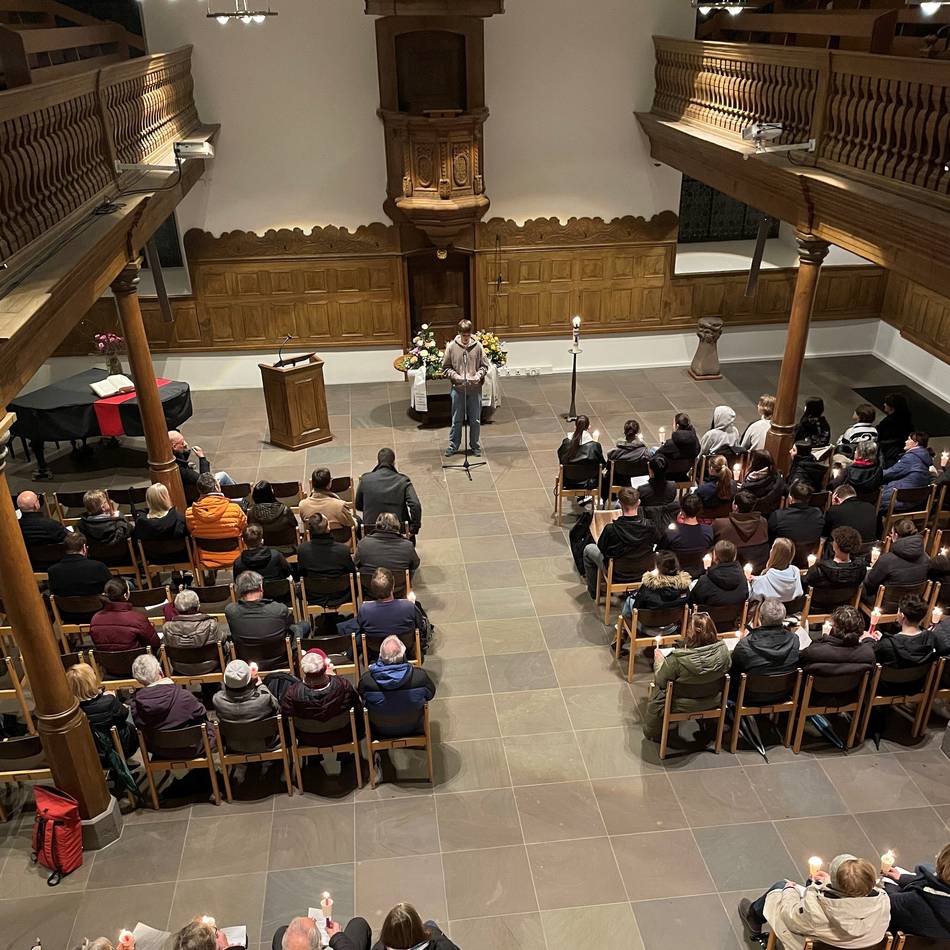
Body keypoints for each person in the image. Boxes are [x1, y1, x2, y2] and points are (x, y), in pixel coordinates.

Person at [739, 854, 889, 950]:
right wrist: (827, 882)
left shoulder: (815, 907)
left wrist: (789, 891)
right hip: (859, 945)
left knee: (781, 886)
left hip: (813, 943)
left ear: (835, 881)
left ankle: (753, 917)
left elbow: (789, 917)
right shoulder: (883, 902)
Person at [642, 612, 731, 742]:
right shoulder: (724, 654)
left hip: (679, 704)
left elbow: (661, 681)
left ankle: (655, 731)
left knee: (658, 691)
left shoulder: (676, 660)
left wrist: (659, 662)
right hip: (713, 700)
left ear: (690, 633)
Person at [582, 487, 659, 598]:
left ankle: (594, 591)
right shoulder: (650, 526)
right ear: (639, 503)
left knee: (588, 549)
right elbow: (656, 544)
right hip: (644, 572)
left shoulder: (611, 529)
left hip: (617, 574)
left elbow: (602, 549)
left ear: (620, 504)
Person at [359, 635, 436, 736]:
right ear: (403, 655)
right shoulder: (420, 676)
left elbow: (362, 698)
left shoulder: (367, 680)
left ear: (380, 655)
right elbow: (430, 695)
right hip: (414, 726)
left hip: (379, 729)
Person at [280, 649, 363, 742]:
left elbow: (286, 719)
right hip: (342, 734)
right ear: (325, 668)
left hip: (308, 738)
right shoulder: (343, 685)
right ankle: (344, 756)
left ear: (303, 670)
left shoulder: (292, 693)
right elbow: (358, 710)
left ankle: (314, 757)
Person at [226, 570, 310, 657]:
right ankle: (297, 659)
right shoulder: (279, 609)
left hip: (247, 661)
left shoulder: (231, 611)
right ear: (261, 587)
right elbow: (288, 625)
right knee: (303, 626)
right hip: (280, 661)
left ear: (238, 590)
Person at [66, 662, 136, 757]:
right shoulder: (109, 701)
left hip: (89, 756)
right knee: (128, 711)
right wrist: (114, 699)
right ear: (91, 681)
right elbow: (124, 714)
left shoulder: (70, 711)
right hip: (119, 750)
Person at [128, 653, 209, 734]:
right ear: (161, 672)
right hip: (191, 744)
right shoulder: (184, 697)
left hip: (156, 746)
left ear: (139, 680)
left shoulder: (136, 706)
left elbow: (140, 727)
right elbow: (201, 715)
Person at [883, 842, 950, 940]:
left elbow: (887, 902)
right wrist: (902, 878)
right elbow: (937, 885)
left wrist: (890, 884)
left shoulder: (916, 902)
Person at [442, 318, 488, 457]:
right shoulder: (451, 347)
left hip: (474, 389)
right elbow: (446, 368)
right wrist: (456, 376)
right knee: (457, 420)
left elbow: (485, 366)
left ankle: (475, 445)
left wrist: (478, 375)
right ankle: (453, 446)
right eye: (464, 336)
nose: (466, 339)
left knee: (475, 420)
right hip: (458, 389)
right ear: (459, 333)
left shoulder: (478, 346)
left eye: (468, 336)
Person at [185, 473, 247, 570]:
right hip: (234, 554)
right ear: (217, 487)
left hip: (205, 556)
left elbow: (191, 532)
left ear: (199, 491)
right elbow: (245, 528)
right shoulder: (235, 509)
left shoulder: (189, 514)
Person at [356, 448, 422, 536]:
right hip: (399, 529)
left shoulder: (365, 479)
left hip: (371, 529)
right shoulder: (402, 480)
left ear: (378, 461)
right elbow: (415, 505)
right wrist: (414, 527)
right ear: (393, 463)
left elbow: (358, 505)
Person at [730, 598, 800, 679]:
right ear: (783, 618)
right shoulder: (794, 640)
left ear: (760, 617)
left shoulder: (744, 645)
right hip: (786, 690)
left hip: (750, 691)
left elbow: (733, 675)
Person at [863, 519, 931, 601]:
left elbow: (869, 585)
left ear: (895, 535)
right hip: (913, 604)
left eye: (891, 533)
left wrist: (871, 570)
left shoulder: (886, 560)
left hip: (885, 606)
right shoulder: (926, 557)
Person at [798, 605, 875, 677]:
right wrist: (869, 639)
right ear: (860, 631)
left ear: (834, 628)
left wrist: (823, 639)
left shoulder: (813, 652)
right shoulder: (868, 653)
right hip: (853, 690)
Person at [161, 588, 223, 676]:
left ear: (177, 609)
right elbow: (222, 640)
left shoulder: (167, 627)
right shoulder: (211, 624)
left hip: (180, 667)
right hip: (209, 667)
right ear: (198, 606)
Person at [355, 567, 419, 651]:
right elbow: (419, 625)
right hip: (405, 648)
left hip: (375, 650)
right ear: (393, 587)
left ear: (372, 589)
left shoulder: (365, 609)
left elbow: (361, 628)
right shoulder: (408, 606)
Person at [90, 577, 161, 652]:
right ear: (125, 595)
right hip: (136, 661)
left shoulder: (95, 618)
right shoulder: (137, 618)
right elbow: (155, 644)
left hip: (106, 662)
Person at [871, 594, 937, 668]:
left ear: (902, 615)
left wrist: (872, 641)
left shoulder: (887, 645)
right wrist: (884, 640)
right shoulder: (930, 638)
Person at [622, 549, 692, 618]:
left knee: (630, 599)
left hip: (648, 626)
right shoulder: (684, 585)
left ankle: (626, 625)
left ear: (658, 567)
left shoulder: (649, 585)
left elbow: (637, 607)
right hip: (672, 626)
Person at [213, 659, 279, 731]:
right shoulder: (264, 698)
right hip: (265, 741)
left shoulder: (217, 700)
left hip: (231, 741)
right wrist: (260, 685)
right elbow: (277, 708)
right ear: (250, 680)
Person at [48, 531, 113, 601]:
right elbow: (112, 589)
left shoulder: (53, 571)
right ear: (84, 548)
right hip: (98, 609)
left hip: (67, 610)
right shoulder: (98, 566)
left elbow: (54, 593)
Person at [355, 511, 420, 578]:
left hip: (369, 586)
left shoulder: (363, 544)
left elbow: (356, 563)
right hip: (399, 587)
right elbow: (415, 564)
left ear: (377, 525)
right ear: (398, 527)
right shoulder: (408, 545)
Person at [881, 430, 934, 510]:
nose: (905, 441)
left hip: (900, 500)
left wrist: (874, 473)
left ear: (916, 443)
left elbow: (891, 472)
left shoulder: (911, 458)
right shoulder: (923, 458)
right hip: (916, 500)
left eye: (908, 439)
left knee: (873, 498)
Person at [688, 540, 750, 607]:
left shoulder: (704, 581)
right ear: (734, 557)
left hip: (708, 617)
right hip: (735, 617)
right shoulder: (743, 579)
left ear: (715, 557)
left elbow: (691, 603)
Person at [804, 526, 866, 591]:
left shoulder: (819, 570)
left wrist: (810, 570)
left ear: (835, 545)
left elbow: (804, 583)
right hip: (847, 600)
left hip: (821, 601)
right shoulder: (861, 569)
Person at [298, 513, 357, 579]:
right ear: (328, 528)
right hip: (341, 588)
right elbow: (352, 573)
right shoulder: (343, 550)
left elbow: (301, 573)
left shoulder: (302, 549)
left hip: (312, 588)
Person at [168, 429, 234, 488]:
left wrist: (185, 449)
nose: (185, 444)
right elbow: (206, 482)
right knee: (223, 476)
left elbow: (182, 458)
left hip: (193, 486)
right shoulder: (182, 470)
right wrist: (202, 458)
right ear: (174, 447)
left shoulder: (170, 455)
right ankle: (240, 498)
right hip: (199, 491)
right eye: (182, 443)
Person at [557, 414, 606, 491]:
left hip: (569, 482)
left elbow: (562, 461)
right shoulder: (594, 446)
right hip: (589, 483)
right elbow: (602, 465)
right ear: (589, 427)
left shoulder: (566, 443)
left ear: (575, 426)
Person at [768, 480, 824, 545]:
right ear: (808, 499)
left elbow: (769, 538)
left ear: (790, 498)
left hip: (784, 553)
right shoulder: (818, 513)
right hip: (809, 553)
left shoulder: (778, 516)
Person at [749, 537, 804, 604]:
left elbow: (751, 598)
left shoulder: (762, 580)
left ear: (774, 554)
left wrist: (752, 582)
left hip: (768, 613)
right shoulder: (796, 573)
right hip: (791, 613)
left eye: (772, 548)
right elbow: (800, 593)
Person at [713, 491, 769, 556]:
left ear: (735, 507)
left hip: (728, 562)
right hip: (759, 562)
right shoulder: (763, 521)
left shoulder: (720, 524)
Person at [660, 494, 713, 562]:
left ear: (682, 510)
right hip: (700, 570)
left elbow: (661, 551)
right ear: (699, 510)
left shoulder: (671, 533)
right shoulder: (708, 530)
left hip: (676, 570)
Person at [739, 449, 786, 514]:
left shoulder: (749, 487)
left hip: (751, 517)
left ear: (755, 463)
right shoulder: (778, 478)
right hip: (770, 515)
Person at [876, 392, 914, 466]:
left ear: (892, 408)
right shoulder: (907, 419)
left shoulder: (887, 422)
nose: (884, 404)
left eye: (886, 403)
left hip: (888, 450)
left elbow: (879, 434)